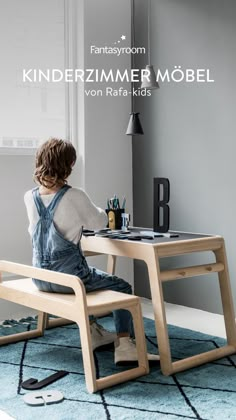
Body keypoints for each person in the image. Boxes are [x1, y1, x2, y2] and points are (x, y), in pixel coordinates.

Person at [24, 138, 159, 364]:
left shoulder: (30, 196)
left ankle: (95, 332)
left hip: (40, 277)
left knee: (94, 276)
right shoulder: (74, 195)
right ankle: (125, 346)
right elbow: (99, 223)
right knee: (122, 287)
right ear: (71, 163)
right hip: (69, 280)